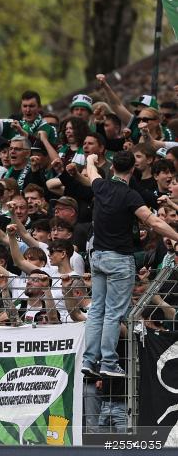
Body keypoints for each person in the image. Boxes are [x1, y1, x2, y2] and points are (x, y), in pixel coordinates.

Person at [82, 151, 178, 378]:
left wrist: (90, 159)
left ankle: (88, 360)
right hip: (119, 260)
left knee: (96, 311)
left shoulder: (100, 186)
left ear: (113, 167)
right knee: (114, 313)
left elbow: (92, 171)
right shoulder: (130, 195)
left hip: (98, 258)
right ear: (133, 170)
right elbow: (153, 221)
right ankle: (108, 362)